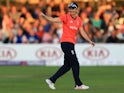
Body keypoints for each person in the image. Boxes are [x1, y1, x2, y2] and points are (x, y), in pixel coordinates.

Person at [39, 2, 95, 90]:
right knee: (75, 63)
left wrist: (89, 40)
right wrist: (45, 16)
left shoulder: (79, 20)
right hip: (66, 43)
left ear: (77, 9)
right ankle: (78, 84)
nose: (72, 10)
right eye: (70, 8)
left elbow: (82, 32)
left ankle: (51, 80)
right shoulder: (66, 17)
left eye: (73, 8)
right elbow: (54, 20)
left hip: (71, 44)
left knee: (67, 66)